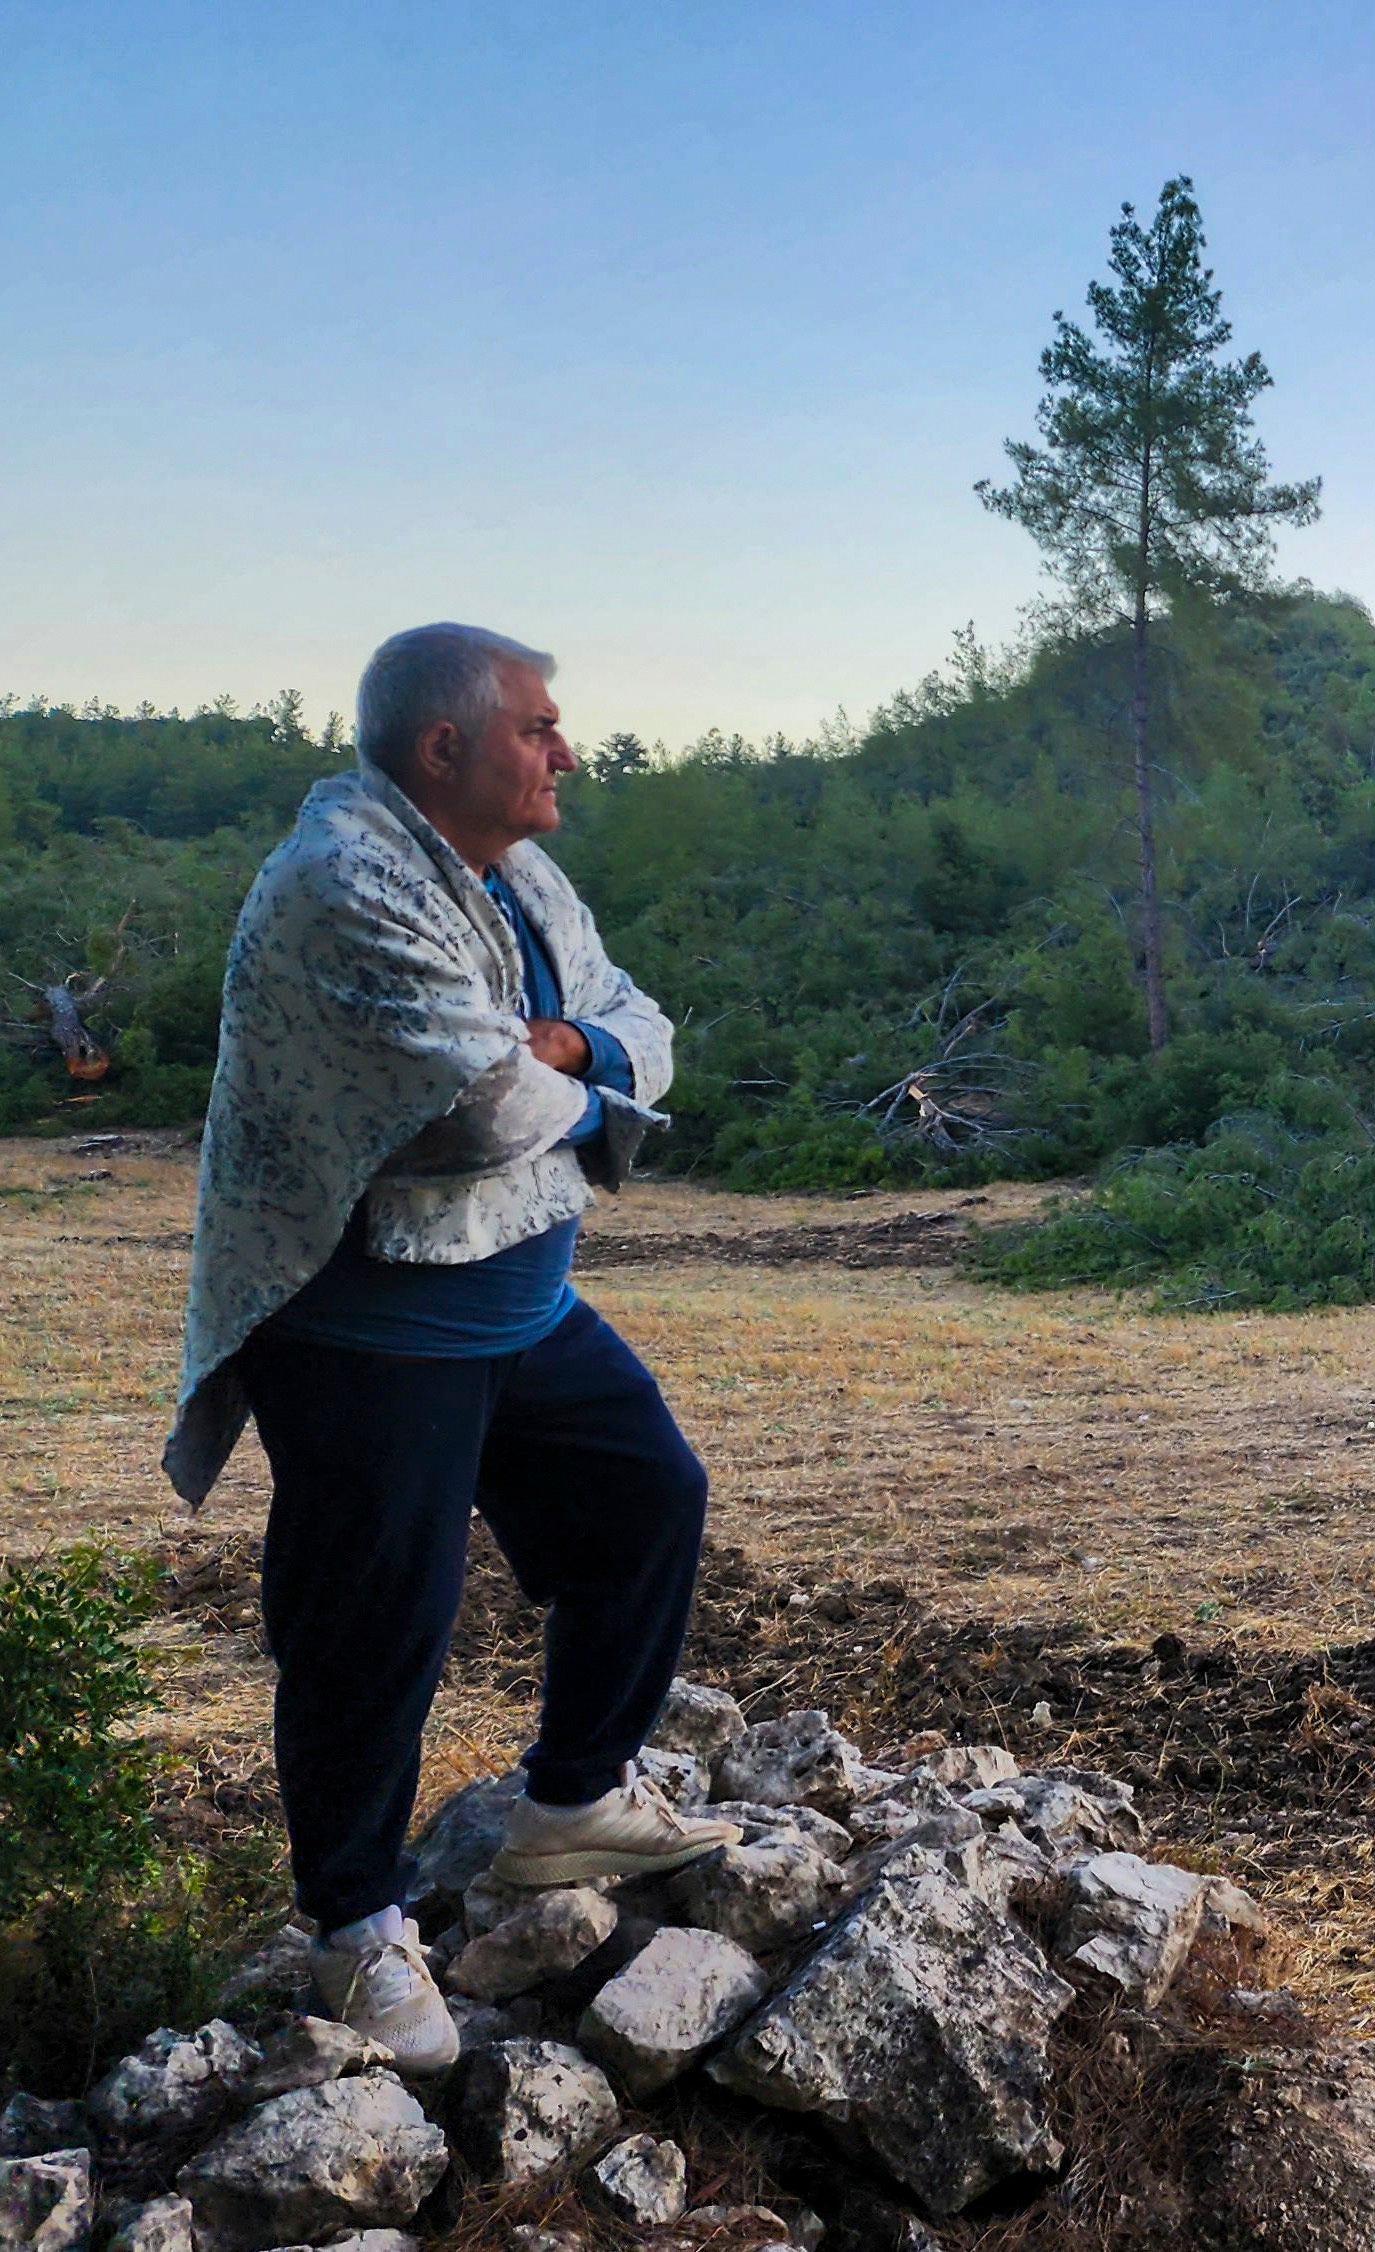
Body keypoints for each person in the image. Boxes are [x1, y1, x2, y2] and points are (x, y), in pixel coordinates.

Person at [165, 624, 739, 2073]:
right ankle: (355, 1931)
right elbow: (482, 1114)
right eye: (538, 728)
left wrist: (573, 1050)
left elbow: (644, 1028)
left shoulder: (514, 871)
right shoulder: (344, 881)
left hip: (522, 1304)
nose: (564, 752)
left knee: (644, 1503)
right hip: (369, 1332)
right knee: (375, 1625)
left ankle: (569, 1806)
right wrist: (562, 1060)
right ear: (445, 748)